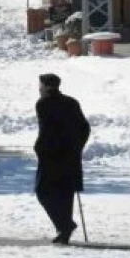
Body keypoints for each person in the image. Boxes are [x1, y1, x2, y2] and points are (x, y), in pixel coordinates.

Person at [34, 73, 91, 245]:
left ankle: (65, 226)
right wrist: (77, 147)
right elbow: (84, 127)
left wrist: (40, 148)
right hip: (70, 156)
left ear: (48, 87)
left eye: (41, 85)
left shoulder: (43, 104)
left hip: (51, 156)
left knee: (43, 191)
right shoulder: (72, 102)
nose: (39, 88)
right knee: (65, 193)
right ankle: (64, 230)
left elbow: (47, 131)